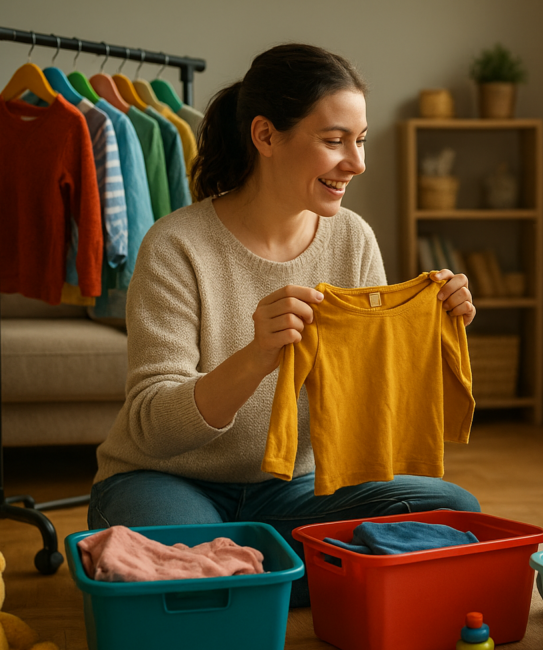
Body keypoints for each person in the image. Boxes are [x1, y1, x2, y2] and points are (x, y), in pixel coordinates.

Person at [87, 44, 480, 606]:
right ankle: (298, 574)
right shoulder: (176, 246)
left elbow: (369, 405)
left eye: (360, 140)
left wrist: (428, 331)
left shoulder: (352, 238)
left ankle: (243, 580)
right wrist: (255, 356)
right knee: (192, 546)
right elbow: (153, 428)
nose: (357, 163)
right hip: (168, 480)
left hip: (297, 490)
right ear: (266, 136)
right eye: (333, 140)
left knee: (451, 511)